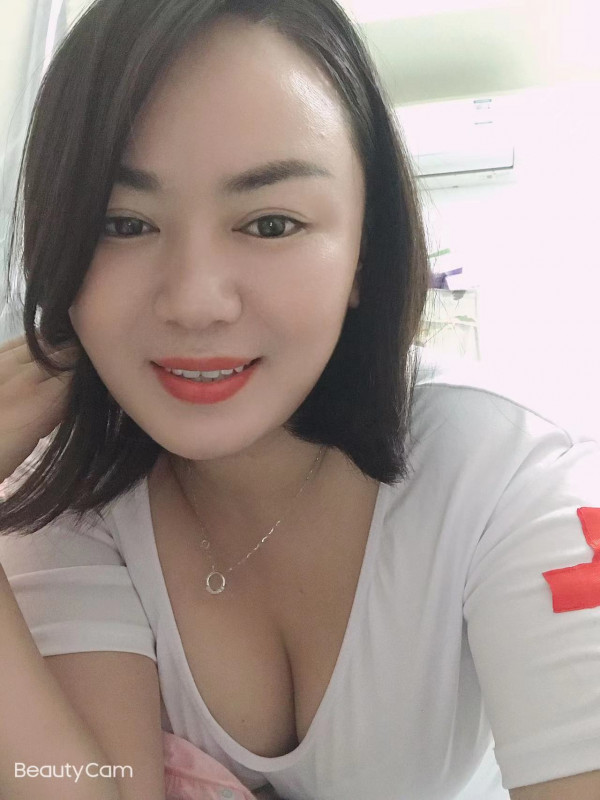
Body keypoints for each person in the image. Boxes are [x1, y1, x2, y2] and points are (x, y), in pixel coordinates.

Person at [1, 0, 600, 798]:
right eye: (124, 224)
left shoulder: (511, 478)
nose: (195, 302)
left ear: (364, 249)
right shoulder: (71, 498)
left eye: (271, 224)